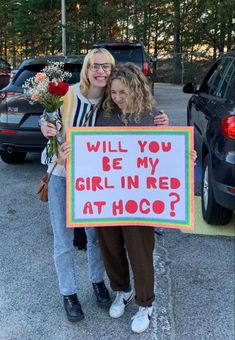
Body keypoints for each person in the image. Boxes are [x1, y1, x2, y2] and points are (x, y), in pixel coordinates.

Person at [93, 62, 195, 334]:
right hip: (108, 196)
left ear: (136, 89)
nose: (116, 98)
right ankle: (122, 290)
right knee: (110, 246)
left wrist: (185, 155)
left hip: (140, 200)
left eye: (122, 92)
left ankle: (145, 303)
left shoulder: (152, 116)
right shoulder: (105, 115)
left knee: (140, 251)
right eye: (113, 92)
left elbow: (167, 156)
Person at [40, 48, 116, 322]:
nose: (100, 71)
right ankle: (68, 293)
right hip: (62, 175)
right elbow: (49, 122)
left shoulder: (112, 99)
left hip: (94, 181)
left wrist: (159, 121)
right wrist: (47, 128)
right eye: (95, 66)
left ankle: (97, 282)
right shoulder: (68, 95)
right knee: (63, 240)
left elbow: (136, 119)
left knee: (94, 237)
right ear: (86, 69)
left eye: (105, 66)